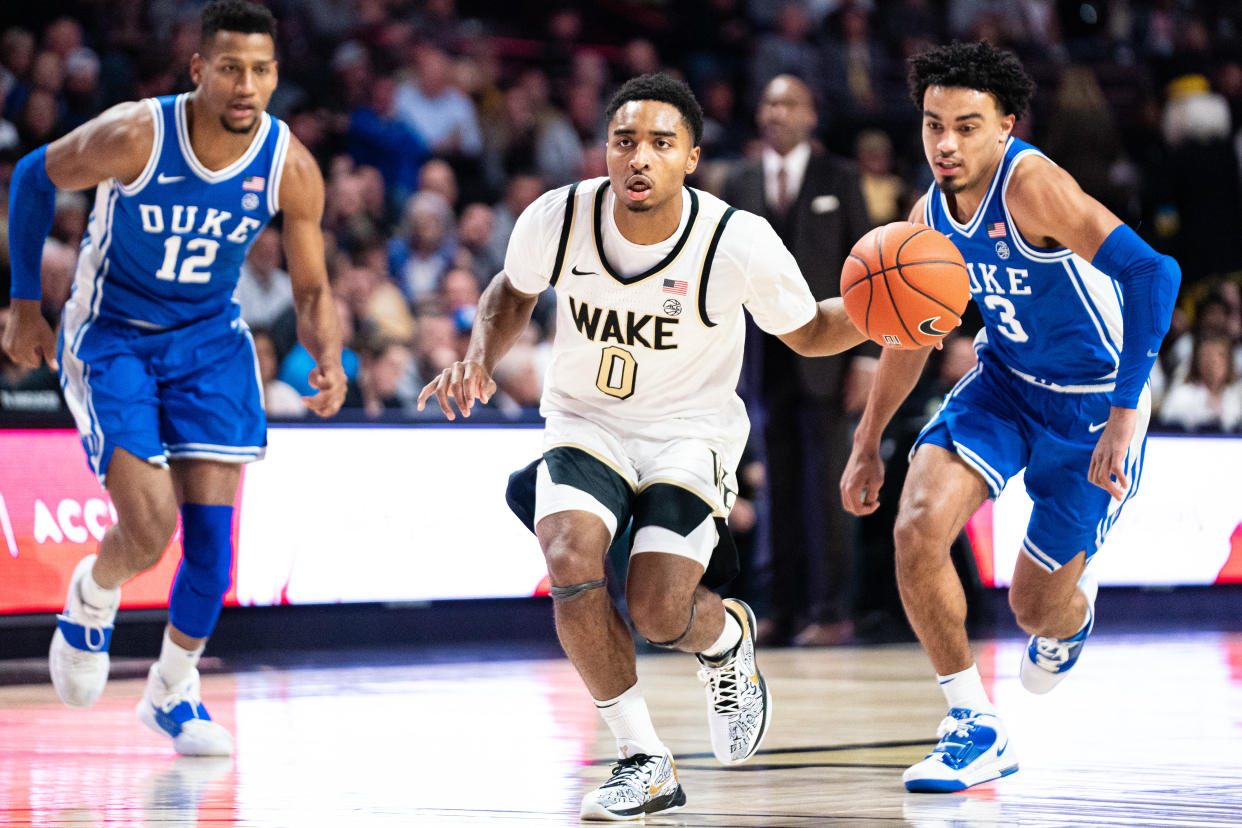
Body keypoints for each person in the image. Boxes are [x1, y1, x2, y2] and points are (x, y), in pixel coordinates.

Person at [418, 73, 866, 820]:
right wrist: (479, 357)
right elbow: (512, 289)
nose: (639, 157)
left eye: (661, 143)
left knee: (659, 611)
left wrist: (885, 313)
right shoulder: (558, 217)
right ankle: (643, 759)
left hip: (690, 435)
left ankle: (725, 641)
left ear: (691, 157)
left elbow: (812, 332)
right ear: (605, 149)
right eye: (625, 141)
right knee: (566, 552)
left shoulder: (736, 240)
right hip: (586, 422)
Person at [1, 1, 345, 756]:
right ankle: (93, 595)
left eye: (259, 69)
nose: (245, 84)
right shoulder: (138, 134)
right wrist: (26, 305)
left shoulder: (290, 164)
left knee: (213, 549)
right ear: (199, 70)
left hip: (211, 343)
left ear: (276, 75)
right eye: (229, 67)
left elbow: (314, 288)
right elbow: (32, 175)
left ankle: (171, 691)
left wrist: (327, 354)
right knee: (150, 527)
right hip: (113, 337)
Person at [839, 42, 1180, 793]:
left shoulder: (1033, 187)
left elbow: (1156, 272)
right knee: (916, 523)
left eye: (966, 126)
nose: (946, 144)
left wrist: (1125, 413)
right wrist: (867, 442)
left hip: (1094, 404)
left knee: (1034, 610)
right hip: (1004, 383)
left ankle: (1070, 617)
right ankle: (972, 724)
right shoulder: (930, 211)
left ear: (1005, 126)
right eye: (933, 125)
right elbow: (914, 332)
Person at [722, 74, 874, 647]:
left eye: (789, 102)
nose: (775, 112)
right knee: (776, 488)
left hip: (831, 357)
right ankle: (778, 608)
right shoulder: (735, 180)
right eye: (768, 102)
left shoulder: (841, 177)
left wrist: (865, 357)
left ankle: (831, 609)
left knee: (826, 489)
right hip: (762, 358)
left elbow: (867, 269)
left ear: (812, 115)